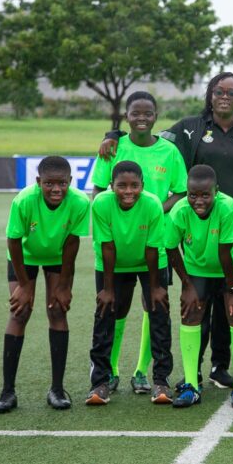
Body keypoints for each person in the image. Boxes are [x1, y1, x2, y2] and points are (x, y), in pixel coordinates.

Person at [99, 72, 233, 390]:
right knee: (197, 306)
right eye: (220, 91)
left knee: (226, 307)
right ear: (210, 94)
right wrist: (112, 134)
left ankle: (220, 366)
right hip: (196, 236)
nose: (225, 96)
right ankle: (194, 373)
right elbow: (146, 131)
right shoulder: (190, 128)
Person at [90, 91, 186, 396]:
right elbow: (97, 189)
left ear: (156, 116)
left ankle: (143, 371)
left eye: (148, 113)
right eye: (135, 113)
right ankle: (111, 371)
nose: (141, 119)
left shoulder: (169, 151)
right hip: (117, 245)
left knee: (153, 304)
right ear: (126, 117)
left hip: (155, 242)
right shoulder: (114, 147)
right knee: (115, 307)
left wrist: (154, 210)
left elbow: (181, 191)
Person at [0, 156, 90, 413]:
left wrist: (64, 285)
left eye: (62, 183)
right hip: (24, 256)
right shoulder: (24, 200)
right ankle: (7, 392)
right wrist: (24, 285)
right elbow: (13, 241)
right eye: (49, 184)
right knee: (20, 311)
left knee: (57, 310)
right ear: (38, 182)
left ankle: (57, 390)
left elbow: (71, 244)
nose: (56, 189)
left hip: (58, 257)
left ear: (71, 181)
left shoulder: (80, 202)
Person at [165, 165, 233, 408]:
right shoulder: (180, 210)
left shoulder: (227, 206)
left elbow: (225, 253)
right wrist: (187, 285)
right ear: (187, 192)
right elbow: (171, 249)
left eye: (206, 195)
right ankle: (192, 385)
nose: (198, 200)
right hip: (198, 268)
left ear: (217, 191)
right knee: (191, 313)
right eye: (193, 195)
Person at [85, 161, 173, 406]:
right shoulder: (101, 203)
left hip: (150, 262)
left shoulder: (152, 203)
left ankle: (161, 381)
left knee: (159, 313)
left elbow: (153, 247)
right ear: (111, 186)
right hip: (112, 262)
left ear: (142, 186)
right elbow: (107, 246)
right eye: (121, 186)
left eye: (134, 186)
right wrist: (108, 289)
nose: (128, 191)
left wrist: (156, 287)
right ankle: (100, 383)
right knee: (105, 313)